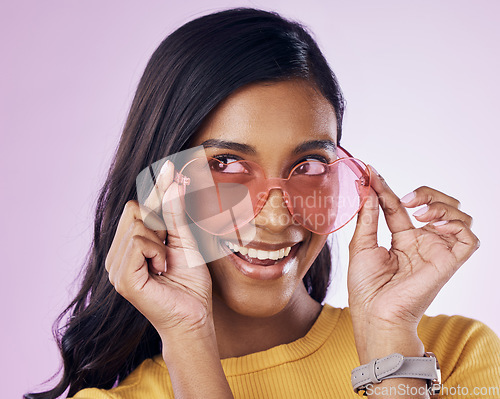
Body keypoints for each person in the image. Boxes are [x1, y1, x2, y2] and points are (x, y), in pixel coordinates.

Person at [25, 7, 500, 399]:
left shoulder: (453, 353)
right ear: (157, 184)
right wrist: (188, 340)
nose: (276, 218)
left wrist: (391, 351)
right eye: (227, 163)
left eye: (310, 165)